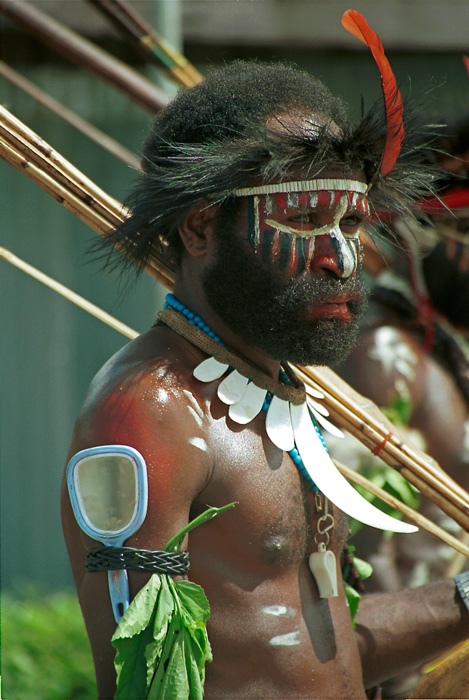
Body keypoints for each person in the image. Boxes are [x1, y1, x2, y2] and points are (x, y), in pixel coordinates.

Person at [61, 60, 469, 700]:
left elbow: (317, 650)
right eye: (305, 221)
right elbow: (143, 683)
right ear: (201, 228)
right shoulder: (149, 411)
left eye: (352, 224)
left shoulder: (279, 390)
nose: (341, 260)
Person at [337, 115, 469, 595]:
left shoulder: (440, 344)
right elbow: (367, 555)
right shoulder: (384, 354)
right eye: (468, 228)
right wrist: (413, 674)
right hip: (417, 654)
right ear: (419, 233)